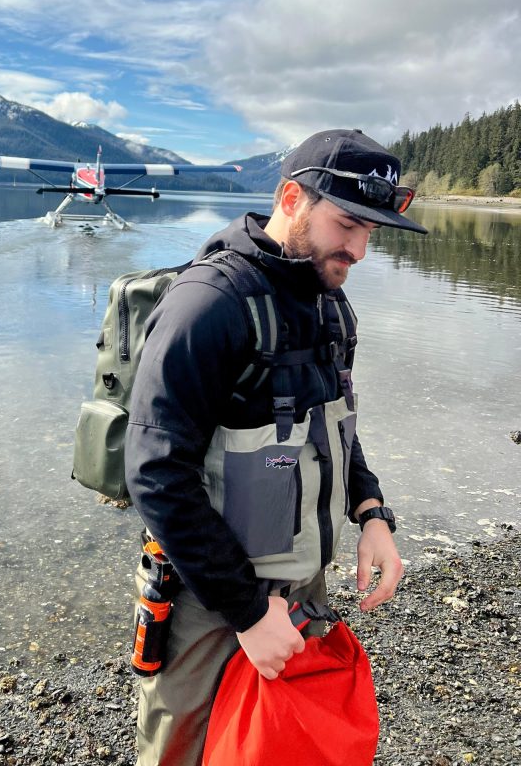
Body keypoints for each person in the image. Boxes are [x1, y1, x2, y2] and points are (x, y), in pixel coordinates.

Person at [124, 128, 428, 766]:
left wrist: (371, 511)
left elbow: (337, 426)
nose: (360, 250)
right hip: (206, 601)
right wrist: (246, 613)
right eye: (347, 224)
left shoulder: (331, 305)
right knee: (183, 750)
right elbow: (155, 475)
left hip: (301, 582)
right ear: (292, 197)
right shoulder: (207, 306)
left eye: (370, 231)